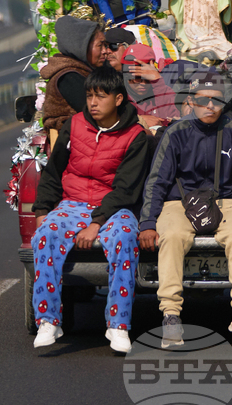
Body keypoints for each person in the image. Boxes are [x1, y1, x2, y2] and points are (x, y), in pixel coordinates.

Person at [139, 70, 232, 346]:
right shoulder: (175, 133)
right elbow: (157, 182)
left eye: (216, 100)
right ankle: (171, 316)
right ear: (191, 101)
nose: (210, 106)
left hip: (226, 201)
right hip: (179, 202)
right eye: (203, 100)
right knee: (172, 235)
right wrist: (147, 223)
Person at [30, 66, 150, 353]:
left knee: (125, 238)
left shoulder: (136, 136)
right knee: (45, 235)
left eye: (101, 96)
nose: (93, 103)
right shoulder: (74, 125)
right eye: (89, 96)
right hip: (73, 203)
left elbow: (126, 189)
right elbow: (53, 172)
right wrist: (42, 211)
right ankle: (48, 320)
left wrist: (95, 223)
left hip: (115, 208)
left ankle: (118, 325)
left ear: (118, 99)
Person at [39, 15, 108, 131]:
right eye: (100, 46)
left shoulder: (83, 70)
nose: (105, 51)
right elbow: (100, 114)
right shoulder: (68, 77)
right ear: (81, 47)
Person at [122, 43, 180, 123]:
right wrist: (139, 120)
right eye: (137, 78)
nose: (143, 84)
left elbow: (176, 119)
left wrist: (157, 82)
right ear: (126, 76)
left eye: (148, 79)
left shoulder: (163, 91)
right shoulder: (117, 96)